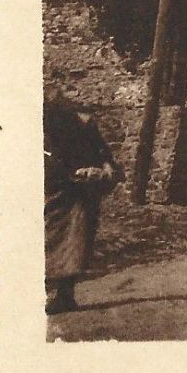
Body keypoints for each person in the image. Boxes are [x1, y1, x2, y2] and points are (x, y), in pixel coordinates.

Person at [43, 85, 121, 315]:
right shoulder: (46, 124)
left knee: (75, 240)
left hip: (79, 189)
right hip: (56, 185)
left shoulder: (83, 123)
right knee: (51, 237)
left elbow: (103, 153)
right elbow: (50, 154)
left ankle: (65, 295)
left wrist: (100, 170)